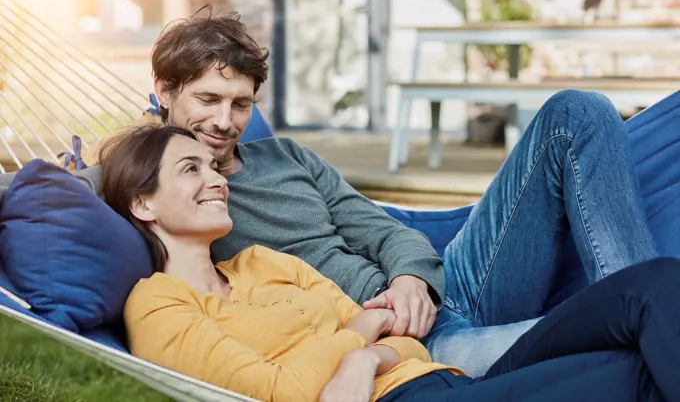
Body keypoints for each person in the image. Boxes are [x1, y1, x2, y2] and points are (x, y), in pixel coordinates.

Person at [100, 124, 678, 402]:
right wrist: (362, 331)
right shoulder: (158, 302)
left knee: (654, 287)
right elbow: (285, 394)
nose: (216, 181)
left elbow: (404, 342)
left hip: (431, 372)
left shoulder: (261, 261)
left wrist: (369, 348)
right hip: (403, 398)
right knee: (640, 360)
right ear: (142, 201)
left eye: (213, 168)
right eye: (191, 170)